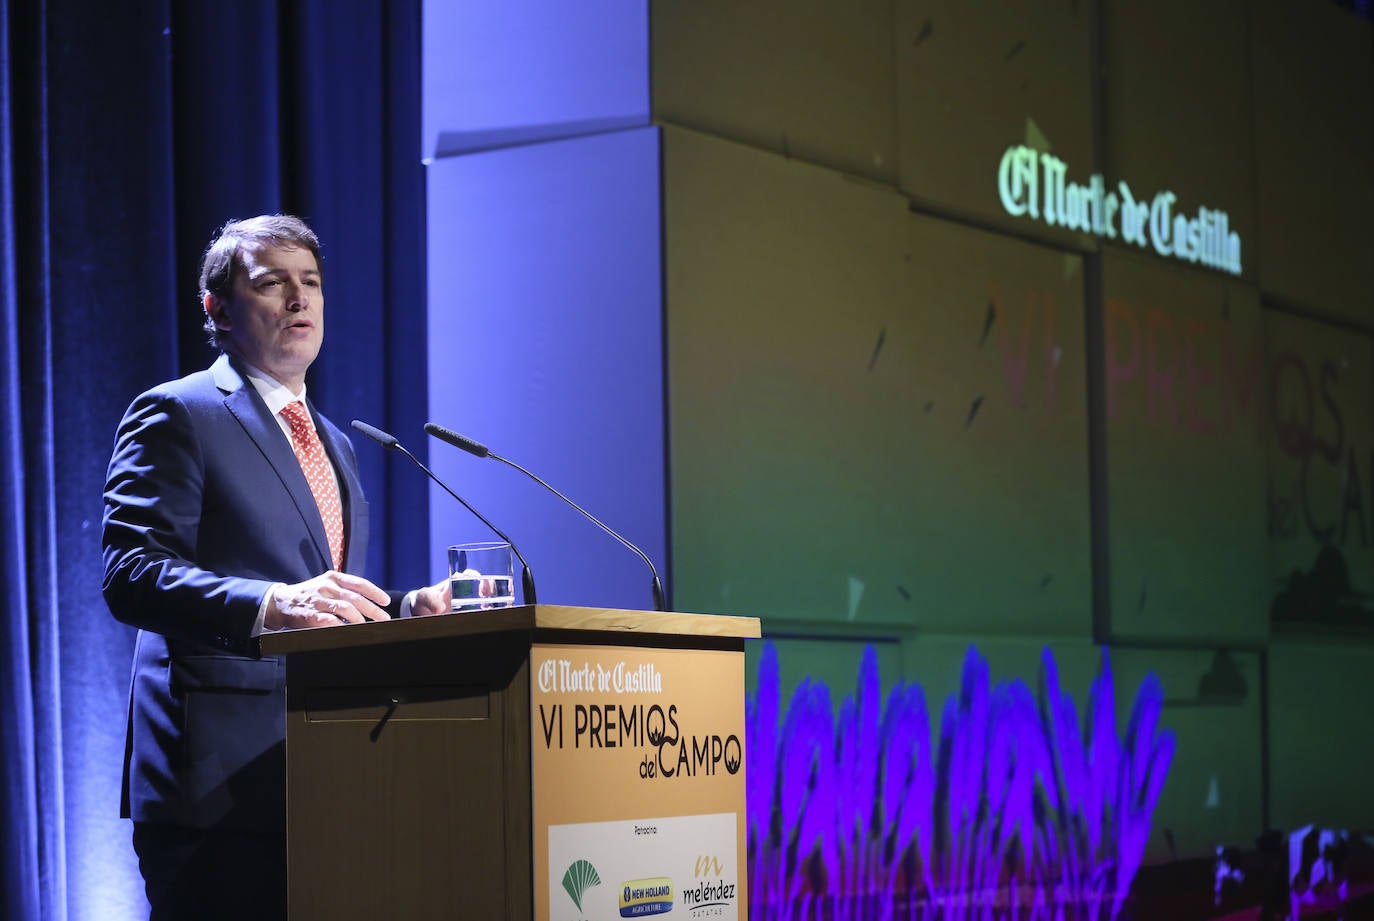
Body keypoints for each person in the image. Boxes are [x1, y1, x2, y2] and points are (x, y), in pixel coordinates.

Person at [102, 214, 448, 920]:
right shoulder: (178, 413)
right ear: (218, 309)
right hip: (215, 788)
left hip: (324, 777)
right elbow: (131, 571)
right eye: (272, 283)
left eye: (311, 283)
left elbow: (319, 599)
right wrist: (268, 606)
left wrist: (404, 610)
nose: (300, 299)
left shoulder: (337, 444)